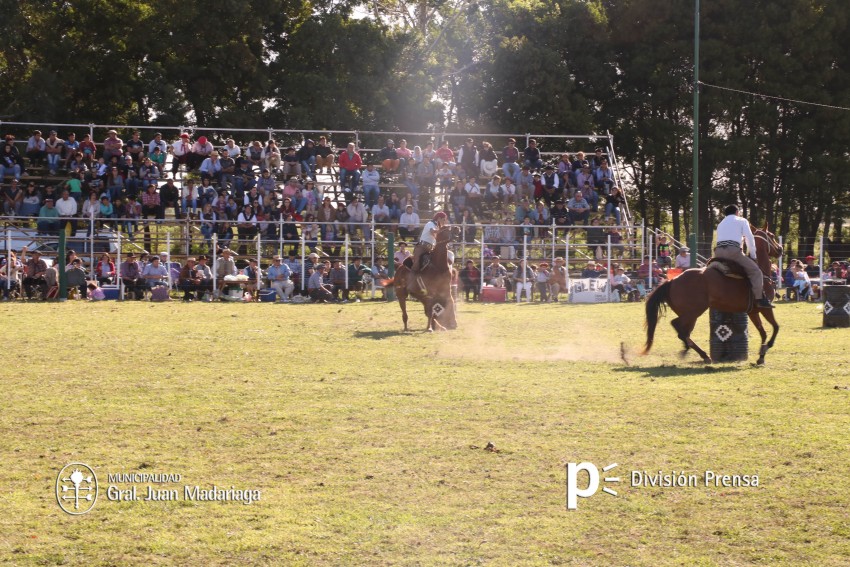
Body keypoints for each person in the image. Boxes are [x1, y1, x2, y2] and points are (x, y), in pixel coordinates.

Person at [714, 204, 773, 308]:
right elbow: (749, 239)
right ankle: (759, 299)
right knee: (756, 272)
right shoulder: (742, 221)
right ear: (737, 212)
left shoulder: (720, 224)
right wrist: (753, 256)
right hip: (733, 252)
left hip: (718, 252)